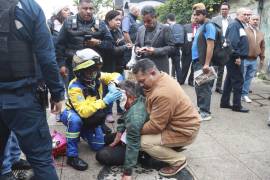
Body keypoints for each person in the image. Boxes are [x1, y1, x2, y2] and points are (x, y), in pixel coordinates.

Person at [0, 0, 65, 179]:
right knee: (42, 161)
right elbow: (46, 56)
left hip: (21, 94)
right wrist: (57, 93)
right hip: (22, 97)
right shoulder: (30, 7)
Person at [133, 59, 200, 177]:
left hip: (184, 131)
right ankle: (172, 148)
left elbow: (155, 126)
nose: (140, 85)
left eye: (142, 81)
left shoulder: (162, 93)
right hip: (181, 125)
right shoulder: (162, 76)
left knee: (142, 142)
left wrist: (134, 130)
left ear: (153, 73)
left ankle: (178, 161)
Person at [59, 48, 123, 171]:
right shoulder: (74, 87)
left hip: (90, 116)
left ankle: (84, 132)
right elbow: (83, 111)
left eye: (95, 69)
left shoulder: (96, 77)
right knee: (75, 121)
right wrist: (105, 101)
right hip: (73, 114)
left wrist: (112, 84)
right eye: (89, 71)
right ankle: (71, 156)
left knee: (98, 147)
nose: (93, 73)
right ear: (80, 71)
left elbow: (117, 75)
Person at [96, 80, 148, 180]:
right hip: (130, 133)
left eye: (120, 99)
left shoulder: (135, 116)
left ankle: (140, 157)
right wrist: (119, 133)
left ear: (130, 97)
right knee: (106, 139)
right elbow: (124, 118)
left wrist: (127, 172)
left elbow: (133, 144)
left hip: (135, 143)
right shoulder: (135, 100)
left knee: (102, 155)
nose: (119, 102)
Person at [56, 0, 113, 84]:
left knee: (94, 94)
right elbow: (60, 45)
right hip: (73, 66)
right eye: (85, 8)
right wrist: (61, 65)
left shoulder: (100, 23)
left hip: (94, 67)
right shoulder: (68, 22)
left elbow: (110, 44)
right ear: (78, 8)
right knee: (74, 93)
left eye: (91, 8)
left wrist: (98, 42)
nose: (88, 11)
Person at [104, 10, 133, 121]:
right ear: (108, 20)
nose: (118, 22)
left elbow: (121, 48)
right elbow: (112, 50)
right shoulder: (105, 32)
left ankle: (121, 110)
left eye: (120, 20)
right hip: (108, 67)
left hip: (119, 66)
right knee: (110, 90)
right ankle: (108, 112)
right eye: (116, 20)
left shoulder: (118, 31)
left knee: (121, 88)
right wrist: (126, 47)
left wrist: (125, 62)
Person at [220, 8, 250, 113]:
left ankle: (224, 102)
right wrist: (237, 56)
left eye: (248, 15)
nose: (247, 16)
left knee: (229, 81)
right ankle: (237, 106)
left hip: (234, 57)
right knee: (238, 81)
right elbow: (232, 43)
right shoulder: (235, 25)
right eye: (244, 14)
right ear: (237, 14)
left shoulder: (240, 25)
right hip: (235, 58)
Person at [191, 3, 216, 121]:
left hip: (203, 62)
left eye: (197, 15)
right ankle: (201, 108)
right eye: (194, 14)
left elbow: (210, 45)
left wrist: (206, 64)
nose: (194, 17)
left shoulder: (209, 26)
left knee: (204, 87)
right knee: (199, 86)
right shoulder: (201, 26)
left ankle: (205, 112)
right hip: (197, 61)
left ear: (203, 14)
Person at [135, 5, 176, 74]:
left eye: (148, 21)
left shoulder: (165, 28)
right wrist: (137, 50)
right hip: (144, 69)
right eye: (144, 21)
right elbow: (136, 45)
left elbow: (172, 47)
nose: (146, 24)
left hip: (160, 68)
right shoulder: (140, 29)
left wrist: (155, 50)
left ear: (155, 17)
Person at [241, 14, 265, 103]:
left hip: (254, 60)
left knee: (248, 79)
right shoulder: (244, 30)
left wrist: (262, 58)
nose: (255, 21)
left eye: (257, 20)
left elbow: (262, 47)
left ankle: (244, 94)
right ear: (249, 20)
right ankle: (238, 94)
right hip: (245, 59)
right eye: (253, 19)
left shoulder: (261, 33)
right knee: (241, 78)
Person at [211, 2, 233, 94]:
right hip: (216, 46)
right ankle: (209, 86)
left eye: (226, 9)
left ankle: (218, 87)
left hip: (226, 47)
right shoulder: (214, 19)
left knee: (222, 68)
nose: (224, 10)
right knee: (213, 67)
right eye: (222, 9)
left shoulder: (232, 21)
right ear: (220, 10)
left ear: (228, 10)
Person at [166, 13, 184, 83]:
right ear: (175, 19)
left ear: (168, 20)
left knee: (165, 63)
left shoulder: (168, 27)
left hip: (169, 48)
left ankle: (166, 80)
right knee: (177, 65)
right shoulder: (180, 26)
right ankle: (180, 81)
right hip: (177, 48)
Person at [180, 15, 197, 86]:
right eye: (193, 18)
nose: (195, 19)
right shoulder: (185, 27)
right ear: (191, 19)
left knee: (194, 68)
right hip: (187, 50)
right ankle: (181, 80)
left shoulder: (200, 27)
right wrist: (182, 48)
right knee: (185, 67)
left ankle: (191, 81)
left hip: (196, 51)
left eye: (196, 18)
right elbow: (181, 38)